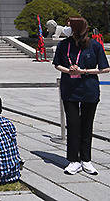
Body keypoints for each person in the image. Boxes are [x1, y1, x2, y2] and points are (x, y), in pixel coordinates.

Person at [53, 17, 109, 175]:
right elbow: (57, 64)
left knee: (86, 125)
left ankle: (86, 159)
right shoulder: (64, 45)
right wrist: (69, 70)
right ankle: (73, 160)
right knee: (73, 124)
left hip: (88, 89)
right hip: (70, 90)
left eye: (70, 25)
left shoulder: (95, 45)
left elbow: (105, 68)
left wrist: (84, 71)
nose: (67, 28)